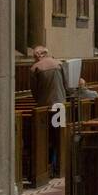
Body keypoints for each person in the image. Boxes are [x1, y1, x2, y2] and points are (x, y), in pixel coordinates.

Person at [30, 47, 67, 175]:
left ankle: (47, 167)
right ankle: (58, 166)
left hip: (44, 108)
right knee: (59, 136)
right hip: (59, 106)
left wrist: (40, 101)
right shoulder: (59, 64)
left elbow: (34, 91)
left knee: (46, 137)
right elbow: (66, 84)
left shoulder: (35, 68)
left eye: (34, 56)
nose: (34, 58)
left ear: (39, 55)